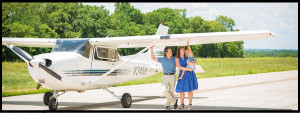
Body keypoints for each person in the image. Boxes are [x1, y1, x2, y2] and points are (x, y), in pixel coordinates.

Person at [150, 46, 192, 110]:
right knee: (164, 91)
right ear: (166, 53)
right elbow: (153, 58)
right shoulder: (162, 59)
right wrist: (151, 49)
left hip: (173, 76)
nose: (171, 52)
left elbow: (181, 62)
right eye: (169, 51)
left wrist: (186, 53)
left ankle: (167, 105)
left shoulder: (174, 59)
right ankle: (174, 101)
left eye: (171, 51)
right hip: (165, 76)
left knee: (171, 92)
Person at [175, 41, 198, 110]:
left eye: (184, 49)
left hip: (190, 74)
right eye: (181, 49)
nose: (183, 50)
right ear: (179, 51)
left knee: (190, 90)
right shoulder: (177, 59)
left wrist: (188, 45)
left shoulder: (187, 57)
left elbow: (195, 62)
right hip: (183, 74)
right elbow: (179, 67)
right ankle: (182, 104)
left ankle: (190, 104)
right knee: (182, 91)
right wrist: (187, 69)